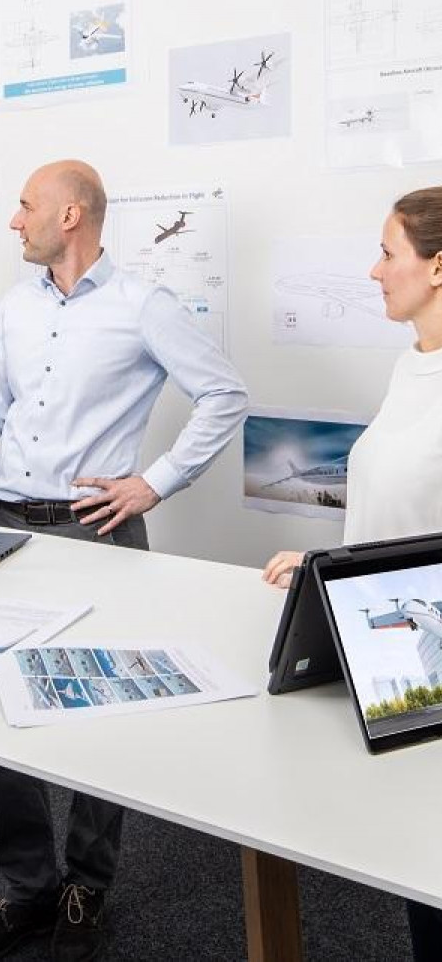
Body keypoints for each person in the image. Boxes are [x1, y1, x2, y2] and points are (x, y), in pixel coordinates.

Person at [0, 159, 248, 962]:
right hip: (4, 520)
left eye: (25, 206)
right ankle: (31, 889)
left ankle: (86, 888)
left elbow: (223, 393)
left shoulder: (144, 306)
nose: (14, 221)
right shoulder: (12, 308)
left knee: (98, 719)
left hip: (93, 529)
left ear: (71, 215)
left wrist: (154, 483)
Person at [263, 186, 442, 962]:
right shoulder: (413, 366)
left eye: (387, 252)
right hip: (385, 648)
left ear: (437, 267)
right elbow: (402, 503)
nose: (372, 271)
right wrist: (326, 564)